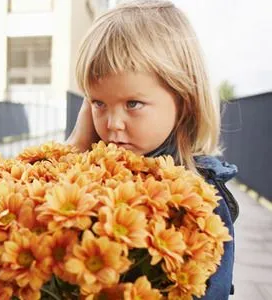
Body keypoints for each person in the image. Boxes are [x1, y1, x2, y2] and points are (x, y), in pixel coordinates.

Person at [67, 1, 239, 299]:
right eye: (98, 103)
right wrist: (74, 148)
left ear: (184, 99)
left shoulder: (201, 197)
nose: (113, 124)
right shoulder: (90, 171)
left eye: (132, 103)